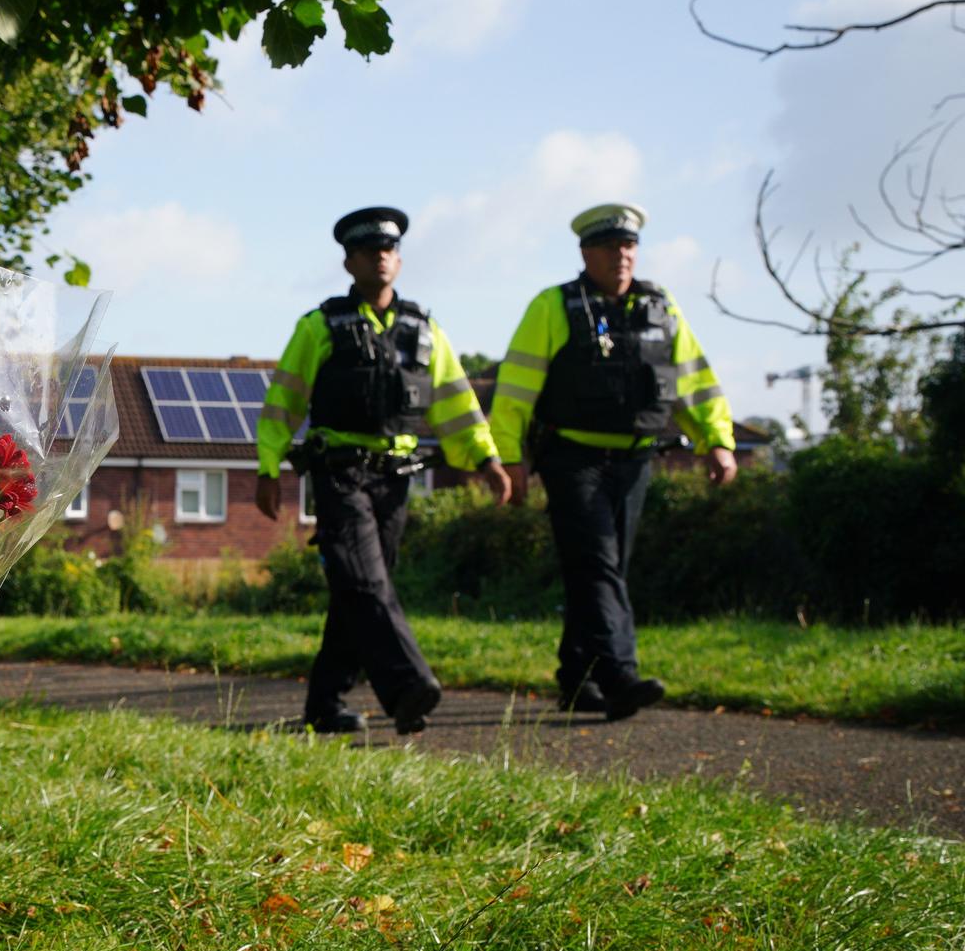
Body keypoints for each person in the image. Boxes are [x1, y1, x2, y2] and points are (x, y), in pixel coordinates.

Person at [256, 206, 512, 736]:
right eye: (369, 250)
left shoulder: (425, 329)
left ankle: (324, 706)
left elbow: (457, 404)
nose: (381, 256)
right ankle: (407, 687)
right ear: (348, 263)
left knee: (360, 590)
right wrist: (266, 467)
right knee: (365, 582)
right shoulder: (320, 326)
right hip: (339, 475)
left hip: (396, 479)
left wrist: (487, 460)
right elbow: (283, 403)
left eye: (390, 249)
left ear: (398, 259)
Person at [489, 203, 738, 720]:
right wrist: (508, 456)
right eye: (608, 247)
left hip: (635, 462)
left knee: (601, 569)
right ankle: (620, 674)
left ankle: (576, 679)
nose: (621, 256)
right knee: (599, 562)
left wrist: (718, 440)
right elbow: (514, 391)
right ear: (585, 253)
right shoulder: (553, 307)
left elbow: (691, 380)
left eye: (628, 246)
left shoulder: (660, 307)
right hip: (571, 458)